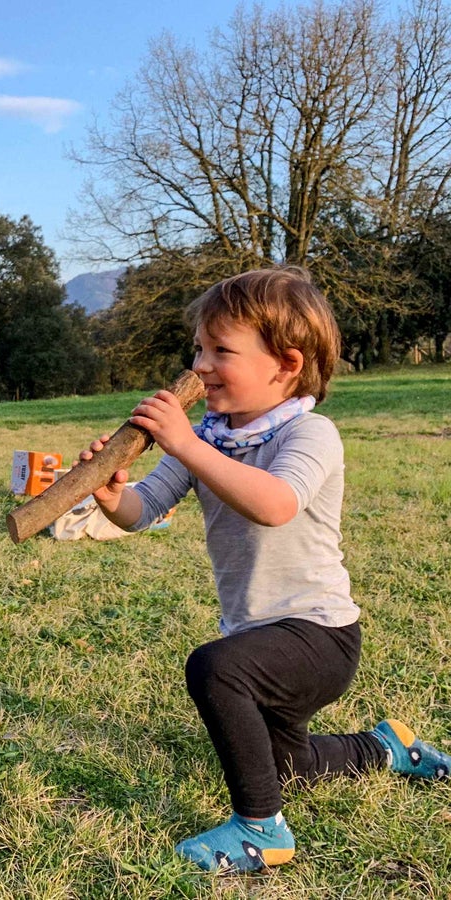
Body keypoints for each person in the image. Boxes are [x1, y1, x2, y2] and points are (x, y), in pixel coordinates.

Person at [82, 267, 450, 874]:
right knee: (288, 768)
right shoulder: (212, 438)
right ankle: (387, 748)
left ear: (285, 364)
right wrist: (109, 492)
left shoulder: (311, 434)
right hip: (255, 633)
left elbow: (276, 504)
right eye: (198, 348)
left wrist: (186, 444)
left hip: (319, 635)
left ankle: (261, 832)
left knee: (215, 670)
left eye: (220, 350)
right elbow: (141, 511)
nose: (200, 365)